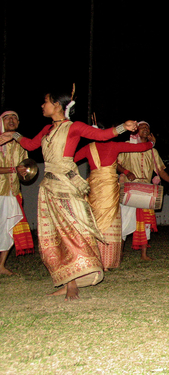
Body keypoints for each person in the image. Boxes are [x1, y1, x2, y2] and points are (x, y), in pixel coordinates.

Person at [0, 89, 138, 300]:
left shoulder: (74, 127)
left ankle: (78, 278)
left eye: (45, 102)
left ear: (57, 104)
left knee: (73, 230)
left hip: (66, 185)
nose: (42, 106)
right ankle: (68, 282)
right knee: (54, 235)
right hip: (48, 187)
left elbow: (101, 135)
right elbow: (30, 145)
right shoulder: (46, 129)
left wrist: (123, 127)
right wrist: (13, 135)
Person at [74, 131, 154, 269]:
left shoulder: (89, 147)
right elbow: (140, 148)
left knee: (95, 219)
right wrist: (152, 143)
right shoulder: (114, 146)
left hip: (94, 187)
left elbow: (71, 160)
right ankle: (108, 260)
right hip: (109, 188)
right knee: (110, 220)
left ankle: (94, 259)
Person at [117, 121, 169, 261]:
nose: (145, 129)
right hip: (129, 187)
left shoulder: (152, 151)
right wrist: (126, 172)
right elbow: (116, 164)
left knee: (146, 221)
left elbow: (159, 170)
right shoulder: (127, 146)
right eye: (142, 127)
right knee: (124, 220)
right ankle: (119, 252)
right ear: (135, 130)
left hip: (146, 189)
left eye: (147, 127)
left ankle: (144, 254)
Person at [0, 111, 34, 275]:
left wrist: (25, 173)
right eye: (7, 118)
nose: (11, 120)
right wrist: (14, 169)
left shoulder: (20, 145)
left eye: (15, 118)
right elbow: (15, 168)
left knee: (9, 228)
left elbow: (24, 167)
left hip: (12, 192)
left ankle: (1, 265)